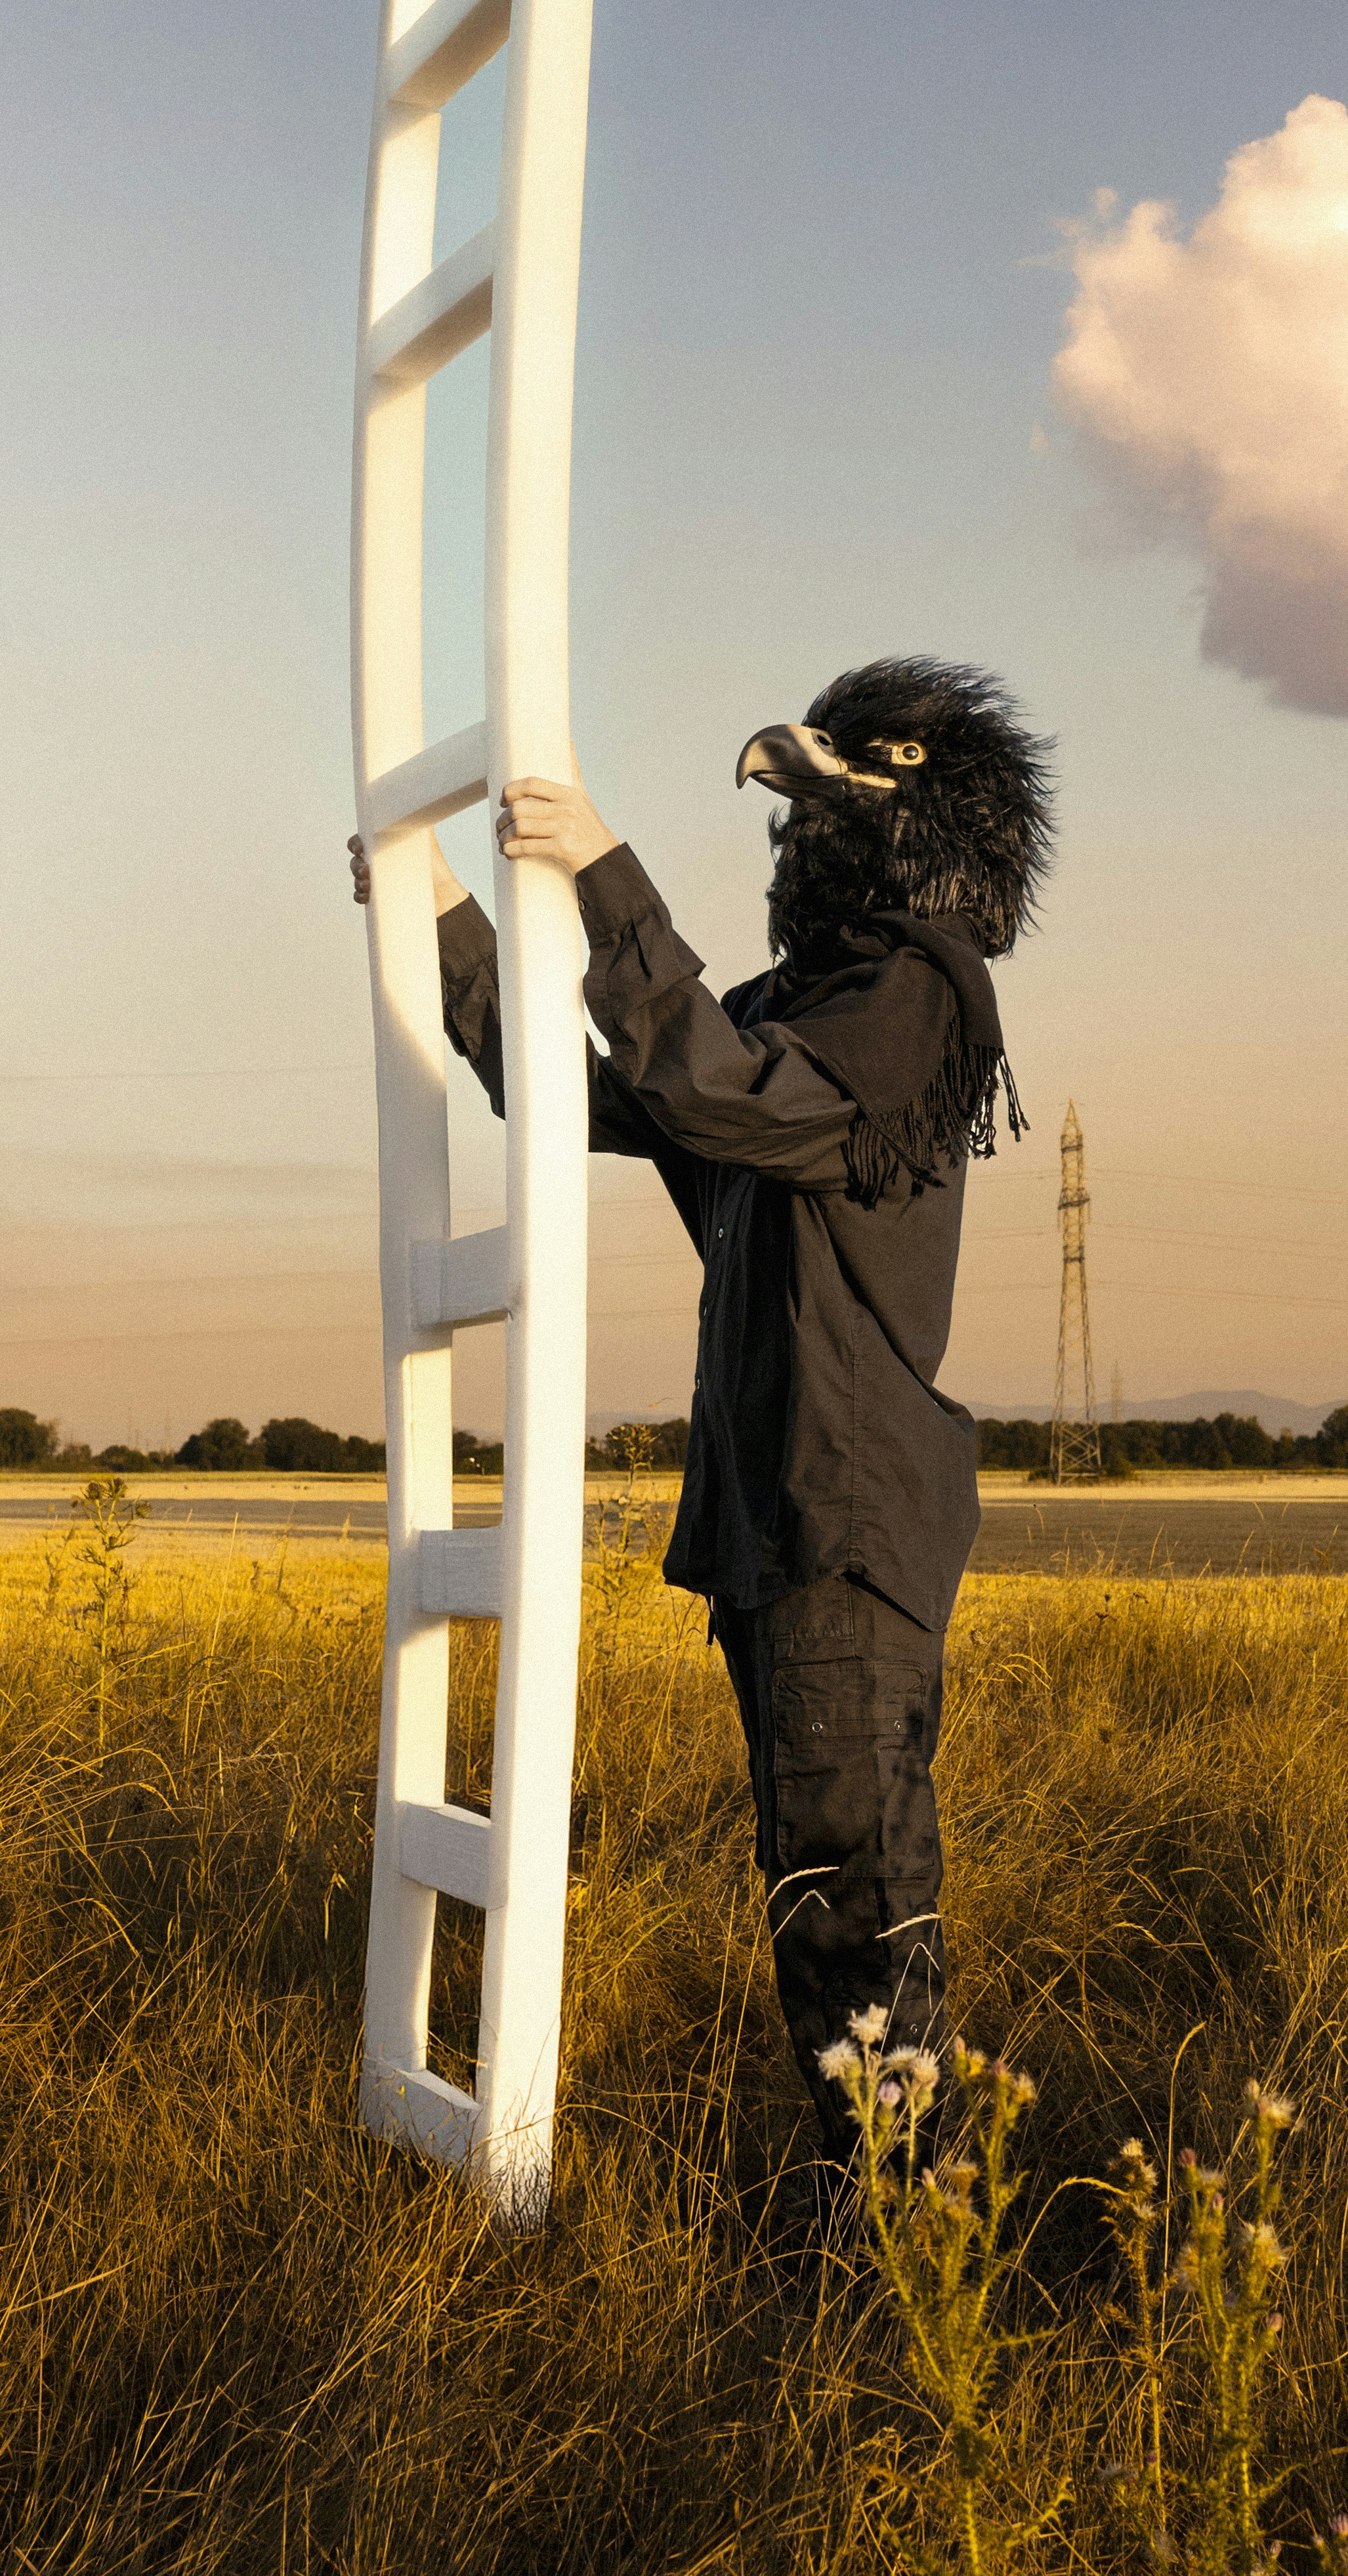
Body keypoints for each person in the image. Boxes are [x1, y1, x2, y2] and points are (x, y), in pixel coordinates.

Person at [350, 658, 1052, 2189]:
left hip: (840, 1516)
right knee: (826, 1889)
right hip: (779, 1524)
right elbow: (594, 1090)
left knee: (850, 1899)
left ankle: (901, 2244)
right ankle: (889, 2217)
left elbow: (718, 1088)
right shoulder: (808, 1007)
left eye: (858, 766)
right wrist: (444, 918)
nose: (798, 790)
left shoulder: (916, 990)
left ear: (929, 808)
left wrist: (606, 874)